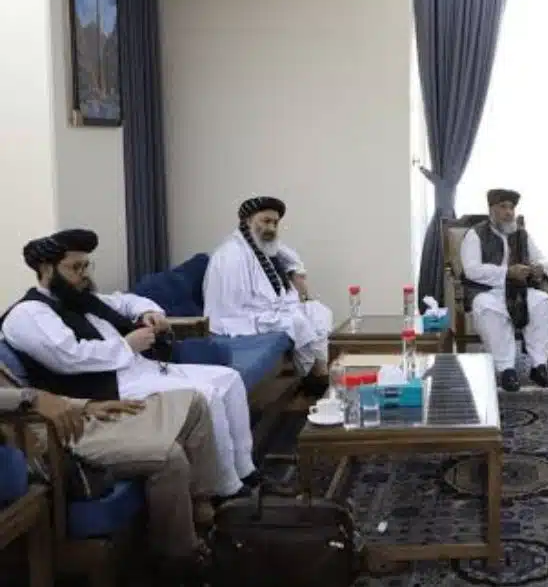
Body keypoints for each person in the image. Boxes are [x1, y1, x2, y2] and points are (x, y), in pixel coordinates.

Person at [0, 229, 256, 499]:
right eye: (75, 267)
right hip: (108, 388)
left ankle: (245, 468)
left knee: (229, 378)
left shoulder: (78, 298)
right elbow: (69, 357)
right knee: (209, 395)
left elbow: (125, 301)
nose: (84, 274)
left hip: (137, 370)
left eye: (86, 265)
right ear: (46, 269)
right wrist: (127, 345)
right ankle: (226, 487)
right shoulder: (28, 314)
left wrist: (148, 312)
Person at [0, 376, 219, 584]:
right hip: (48, 443)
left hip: (70, 421)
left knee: (193, 404)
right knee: (170, 456)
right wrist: (31, 398)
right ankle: (179, 563)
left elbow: (41, 400)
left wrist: (86, 406)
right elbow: (30, 400)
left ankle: (205, 520)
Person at [203, 196, 334, 396]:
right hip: (238, 319)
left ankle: (318, 374)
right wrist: (278, 311)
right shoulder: (232, 255)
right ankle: (314, 379)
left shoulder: (258, 245)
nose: (271, 228)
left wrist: (296, 276)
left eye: (275, 223)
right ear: (248, 221)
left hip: (268, 310)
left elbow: (289, 257)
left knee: (318, 311)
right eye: (266, 221)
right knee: (298, 322)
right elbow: (235, 306)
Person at [459, 189, 548, 392]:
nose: (508, 212)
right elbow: (471, 270)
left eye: (511, 208)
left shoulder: (521, 234)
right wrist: (506, 273)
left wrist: (539, 267)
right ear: (491, 210)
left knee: (543, 302)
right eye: (503, 207)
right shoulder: (475, 234)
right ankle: (506, 370)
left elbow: (542, 259)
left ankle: (539, 365)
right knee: (488, 308)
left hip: (519, 291)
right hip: (487, 291)